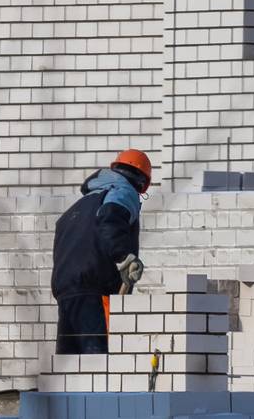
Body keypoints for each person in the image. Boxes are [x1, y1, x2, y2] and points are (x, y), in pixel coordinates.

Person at [51, 148, 150, 354]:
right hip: (95, 290)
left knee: (68, 366)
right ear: (141, 183)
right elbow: (110, 219)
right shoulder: (123, 192)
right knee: (98, 362)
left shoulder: (76, 208)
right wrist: (124, 257)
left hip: (66, 292)